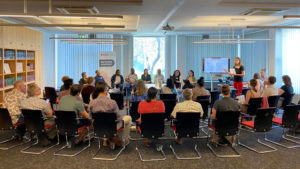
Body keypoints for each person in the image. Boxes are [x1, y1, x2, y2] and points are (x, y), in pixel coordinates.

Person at [89, 82, 131, 147]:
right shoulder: (112, 102)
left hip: (98, 127)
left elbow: (90, 116)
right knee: (128, 118)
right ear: (105, 90)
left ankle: (107, 139)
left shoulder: (92, 103)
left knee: (105, 121)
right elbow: (118, 118)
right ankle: (125, 139)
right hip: (112, 127)